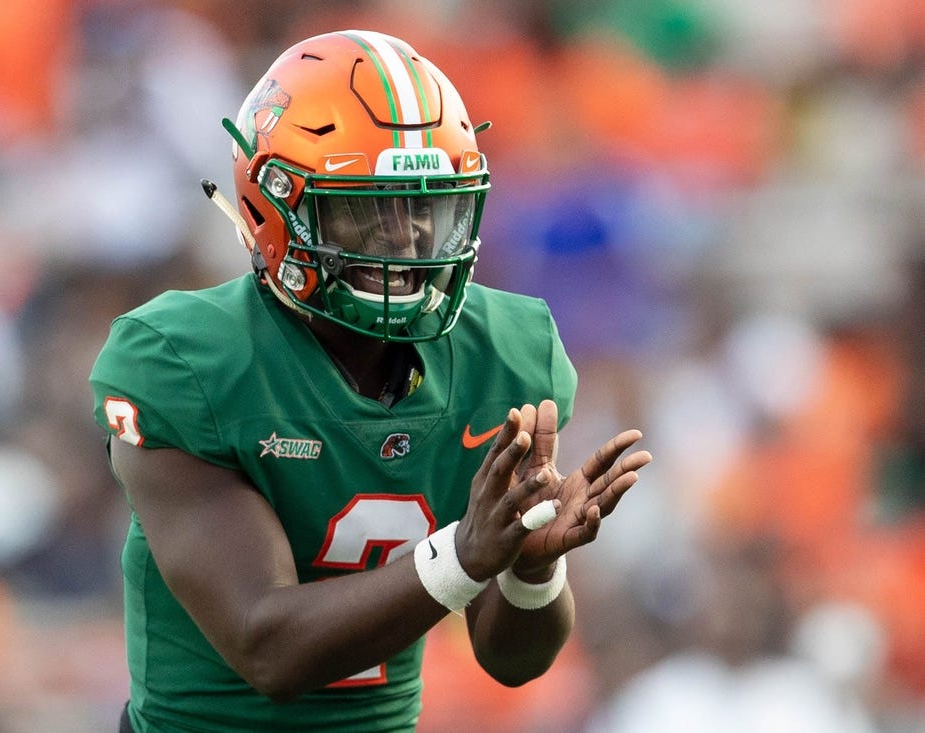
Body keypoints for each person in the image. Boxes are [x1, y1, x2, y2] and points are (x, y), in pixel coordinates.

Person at [89, 29, 652, 733]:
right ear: (275, 203)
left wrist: (529, 568)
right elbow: (269, 648)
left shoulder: (500, 353)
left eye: (424, 205)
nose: (408, 236)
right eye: (368, 207)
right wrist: (462, 554)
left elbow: (511, 660)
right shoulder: (184, 360)